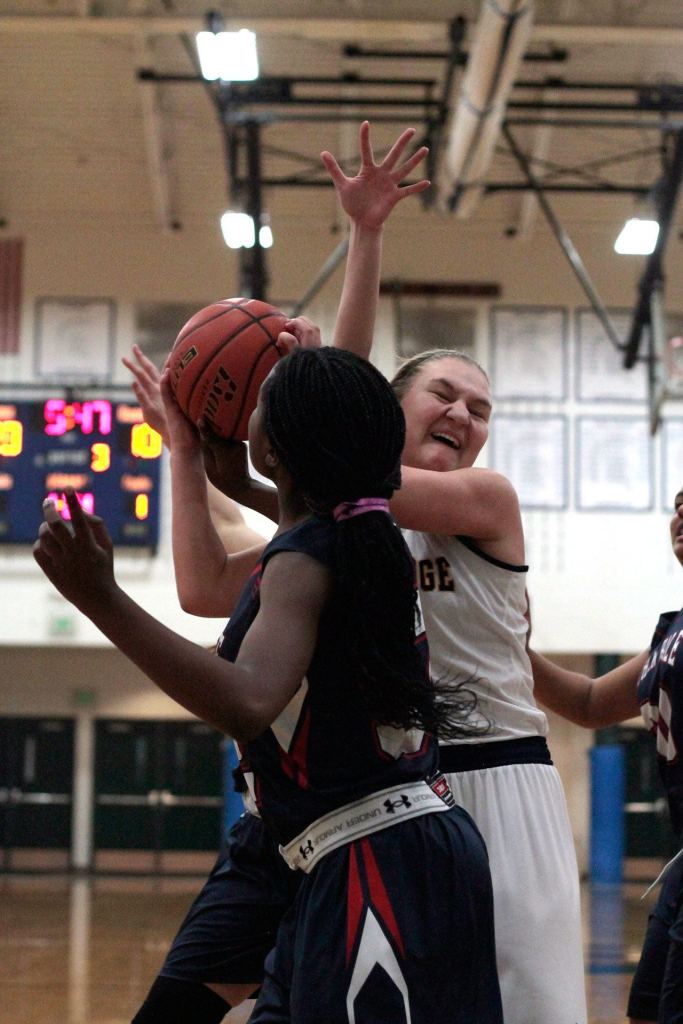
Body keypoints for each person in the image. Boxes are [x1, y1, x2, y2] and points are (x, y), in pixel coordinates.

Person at [204, 120, 587, 1024]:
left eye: (481, 407)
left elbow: (345, 447)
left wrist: (360, 254)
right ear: (393, 410)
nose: (465, 413)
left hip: (503, 775)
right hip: (403, 795)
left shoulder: (485, 498)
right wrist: (204, 450)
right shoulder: (353, 534)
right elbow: (245, 548)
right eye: (443, 394)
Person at [35, 345, 503, 1024]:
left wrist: (100, 597)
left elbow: (248, 700)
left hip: (375, 857)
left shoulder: (311, 555)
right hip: (336, 846)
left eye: (259, 403)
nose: (245, 412)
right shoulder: (348, 532)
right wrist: (201, 463)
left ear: (277, 447)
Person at [118, 128, 432, 1024]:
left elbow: (331, 398)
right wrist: (184, 449)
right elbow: (199, 584)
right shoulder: (307, 539)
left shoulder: (358, 532)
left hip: (361, 831)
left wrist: (365, 241)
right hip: (279, 834)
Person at [527, 488, 683, 1024]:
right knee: (643, 1011)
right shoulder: (672, 631)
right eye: (680, 501)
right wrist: (506, 643)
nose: (682, 510)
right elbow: (589, 703)